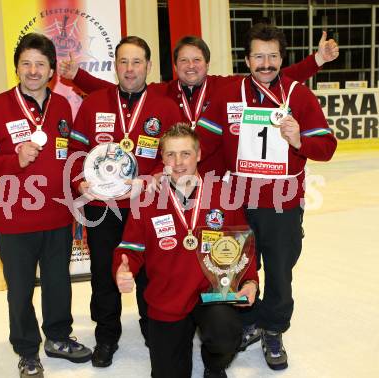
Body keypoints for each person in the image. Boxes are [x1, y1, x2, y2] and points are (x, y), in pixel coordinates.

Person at [196, 23, 337, 370]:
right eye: (258, 55)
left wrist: (299, 140)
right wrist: (181, 170)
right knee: (240, 266)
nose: (266, 63)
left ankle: (273, 328)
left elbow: (328, 146)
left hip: (282, 202)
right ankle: (246, 323)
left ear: (281, 58)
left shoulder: (299, 96)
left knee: (278, 271)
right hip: (237, 201)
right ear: (246, 59)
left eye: (272, 56)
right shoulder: (229, 93)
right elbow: (203, 143)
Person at [0, 33, 92, 378]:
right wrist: (14, 160)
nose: (33, 70)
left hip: (56, 214)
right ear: (17, 68)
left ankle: (58, 338)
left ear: (52, 68)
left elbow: (67, 158)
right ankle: (26, 350)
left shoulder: (64, 106)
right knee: (20, 290)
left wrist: (78, 185)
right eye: (26, 63)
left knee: (58, 282)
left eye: (40, 64)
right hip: (13, 218)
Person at [59, 32, 338, 176]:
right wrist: (78, 77)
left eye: (197, 60)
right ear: (174, 65)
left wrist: (317, 61)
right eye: (183, 61)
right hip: (177, 179)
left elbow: (271, 75)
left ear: (207, 63)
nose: (190, 66)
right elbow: (123, 87)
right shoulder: (162, 93)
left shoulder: (226, 88)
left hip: (216, 182)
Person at [68, 36, 181, 368]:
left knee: (151, 272)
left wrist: (151, 180)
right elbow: (75, 154)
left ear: (148, 65)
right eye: (123, 62)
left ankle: (152, 328)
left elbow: (176, 159)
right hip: (102, 207)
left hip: (147, 207)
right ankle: (106, 336)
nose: (130, 69)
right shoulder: (93, 104)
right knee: (104, 273)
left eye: (136, 62)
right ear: (114, 65)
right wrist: (81, 181)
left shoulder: (165, 107)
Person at [113, 123, 259, 378]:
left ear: (199, 154)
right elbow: (130, 248)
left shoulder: (223, 195)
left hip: (212, 292)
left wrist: (250, 281)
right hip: (168, 297)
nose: (178, 162)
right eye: (170, 154)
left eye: (185, 153)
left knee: (227, 333)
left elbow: (242, 246)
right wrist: (122, 270)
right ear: (162, 158)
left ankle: (214, 366)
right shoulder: (147, 200)